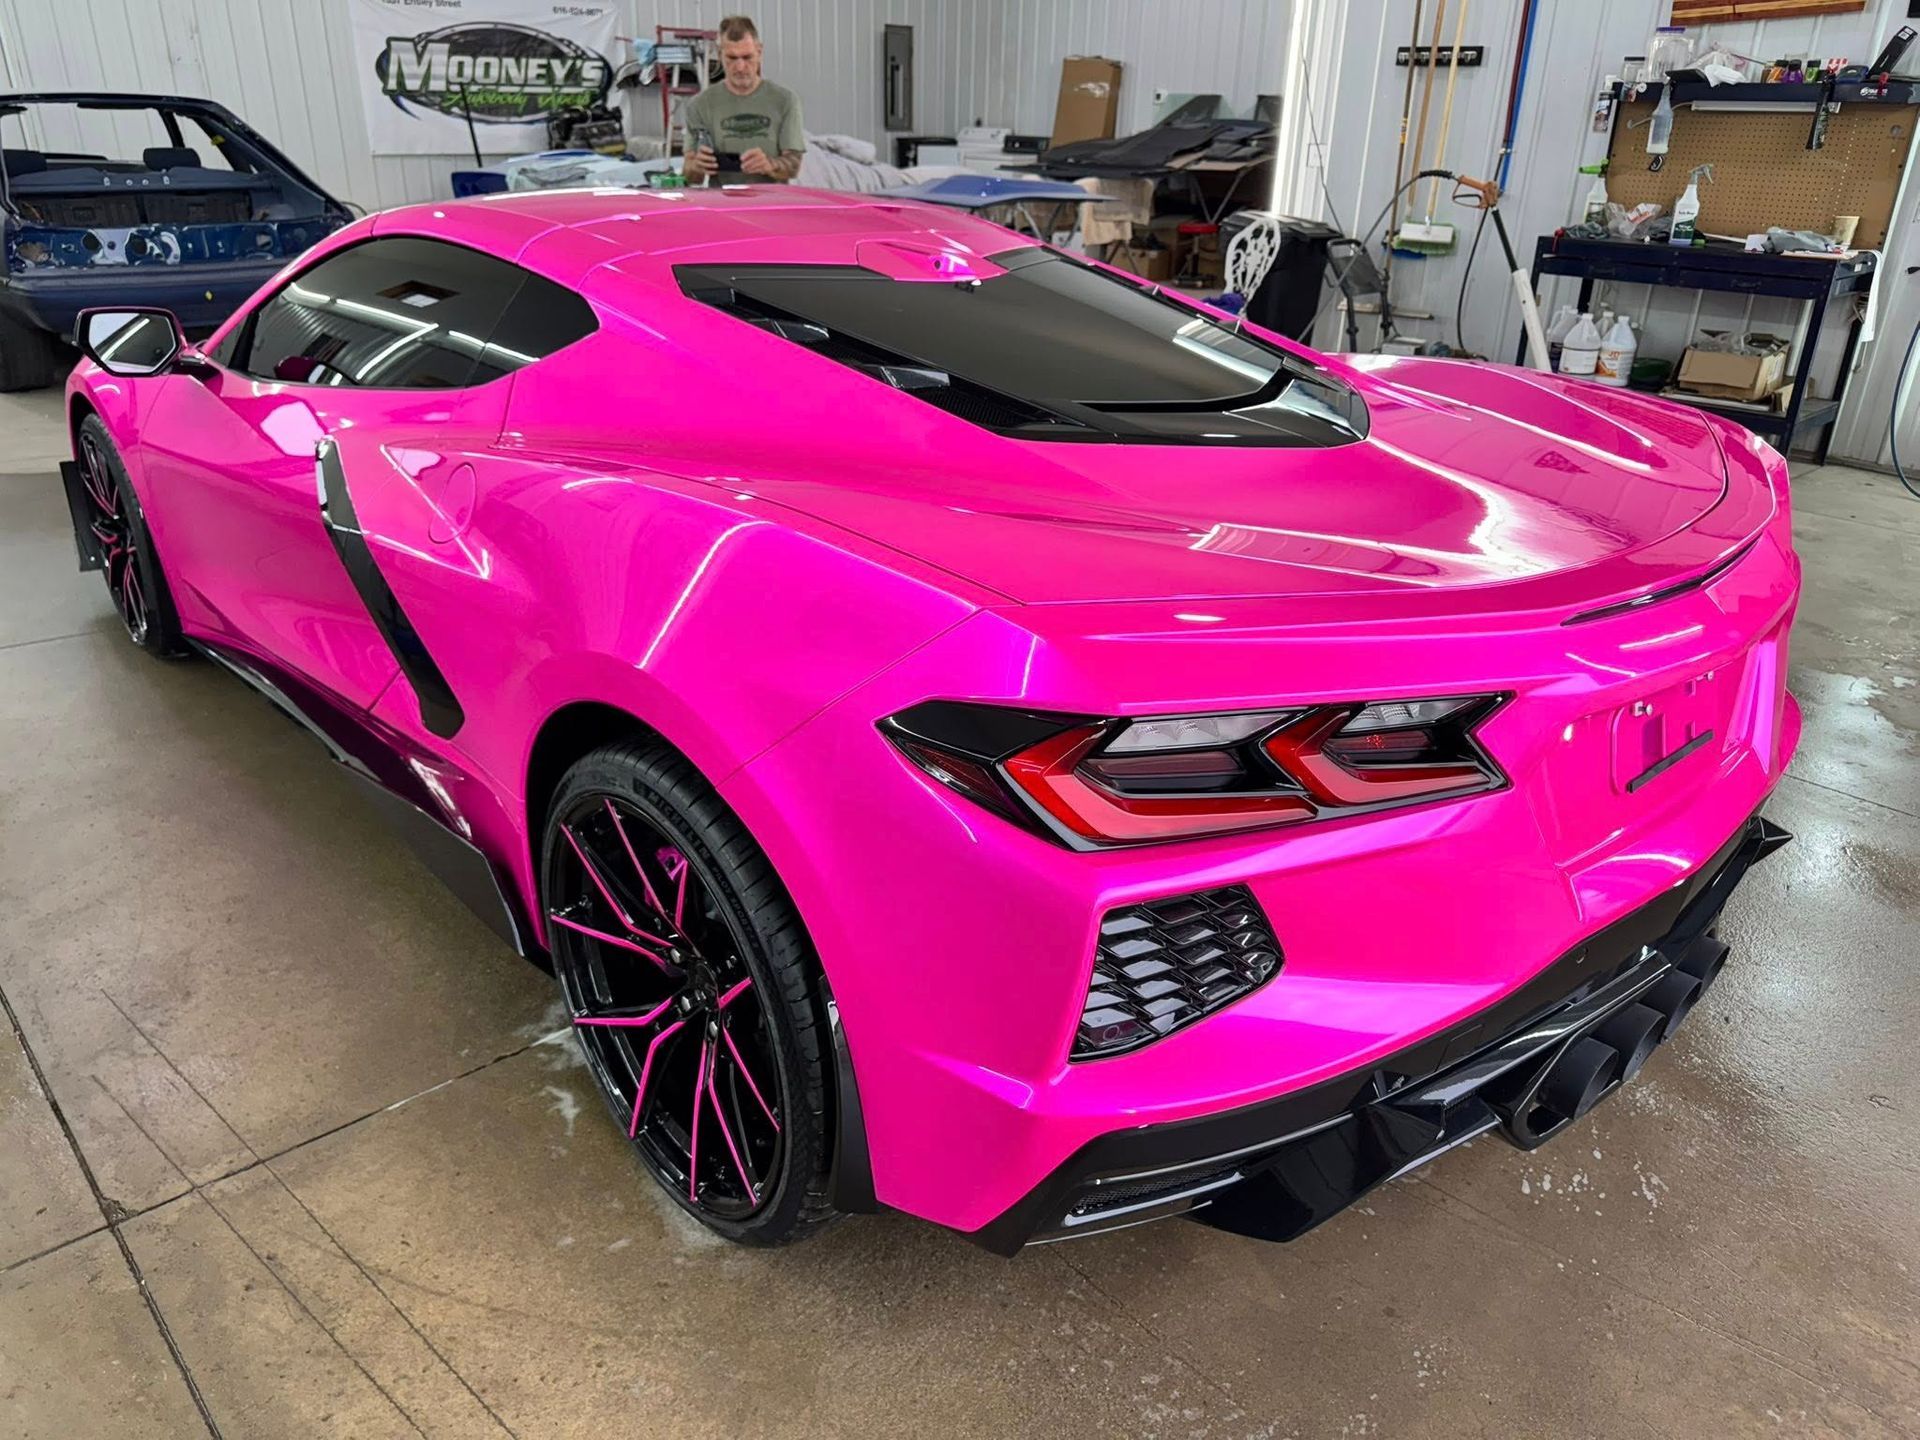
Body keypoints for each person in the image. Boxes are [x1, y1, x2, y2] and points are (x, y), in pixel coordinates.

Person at [681, 16, 805, 184]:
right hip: (723, 205)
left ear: (759, 52)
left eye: (747, 57)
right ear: (719, 55)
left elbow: (794, 166)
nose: (740, 67)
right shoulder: (699, 105)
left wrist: (769, 165)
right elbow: (690, 174)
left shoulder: (785, 101)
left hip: (770, 204)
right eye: (731, 58)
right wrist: (697, 166)